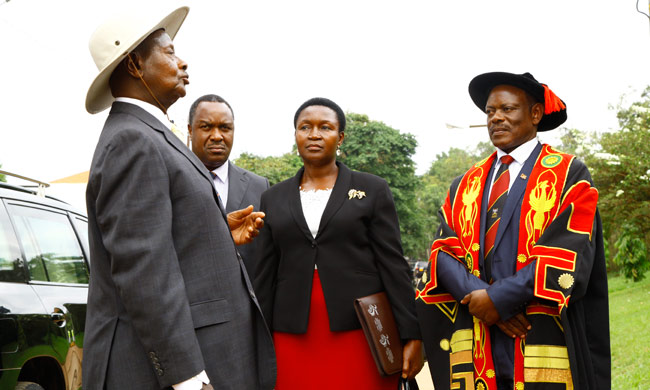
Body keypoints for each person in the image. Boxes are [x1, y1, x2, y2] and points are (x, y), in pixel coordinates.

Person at [82, 7, 276, 390]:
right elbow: (144, 271)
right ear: (136, 64)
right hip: (162, 371)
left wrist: (217, 232)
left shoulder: (150, 134)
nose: (182, 62)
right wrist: (186, 376)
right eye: (169, 52)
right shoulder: (133, 140)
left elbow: (159, 236)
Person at [415, 72, 610, 390]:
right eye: (491, 111)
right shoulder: (465, 184)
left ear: (535, 114)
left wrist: (498, 300)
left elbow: (569, 253)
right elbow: (442, 253)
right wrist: (484, 302)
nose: (496, 118)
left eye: (507, 109)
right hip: (480, 333)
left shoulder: (567, 173)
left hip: (540, 331)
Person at [254, 97, 424, 389]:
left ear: (340, 136)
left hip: (360, 328)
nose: (314, 134)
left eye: (325, 127)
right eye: (305, 127)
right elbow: (265, 273)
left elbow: (393, 265)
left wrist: (413, 333)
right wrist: (258, 338)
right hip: (292, 331)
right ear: (295, 134)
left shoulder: (372, 189)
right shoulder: (273, 197)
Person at [187, 94, 270, 275]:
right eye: (206, 127)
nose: (217, 136)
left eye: (225, 128)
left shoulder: (260, 186)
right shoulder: (171, 181)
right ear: (190, 130)